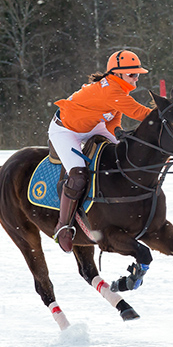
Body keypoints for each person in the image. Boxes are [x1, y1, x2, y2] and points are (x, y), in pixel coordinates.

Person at [49, 50, 153, 253]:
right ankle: (63, 227)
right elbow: (139, 112)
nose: (136, 78)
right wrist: (168, 114)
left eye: (137, 74)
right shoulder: (112, 91)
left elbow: (113, 118)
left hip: (93, 125)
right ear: (117, 73)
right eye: (132, 74)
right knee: (78, 174)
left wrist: (118, 133)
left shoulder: (119, 90)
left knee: (122, 154)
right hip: (65, 130)